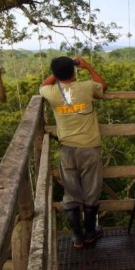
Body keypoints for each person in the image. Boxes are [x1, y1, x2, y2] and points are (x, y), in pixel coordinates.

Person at [40, 56, 107, 248]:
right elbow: (103, 85)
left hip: (67, 149)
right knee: (91, 190)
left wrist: (56, 73)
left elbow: (42, 85)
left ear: (54, 73)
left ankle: (77, 237)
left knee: (71, 192)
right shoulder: (86, 87)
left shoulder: (51, 92)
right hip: (89, 147)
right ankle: (90, 233)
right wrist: (88, 66)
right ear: (74, 70)